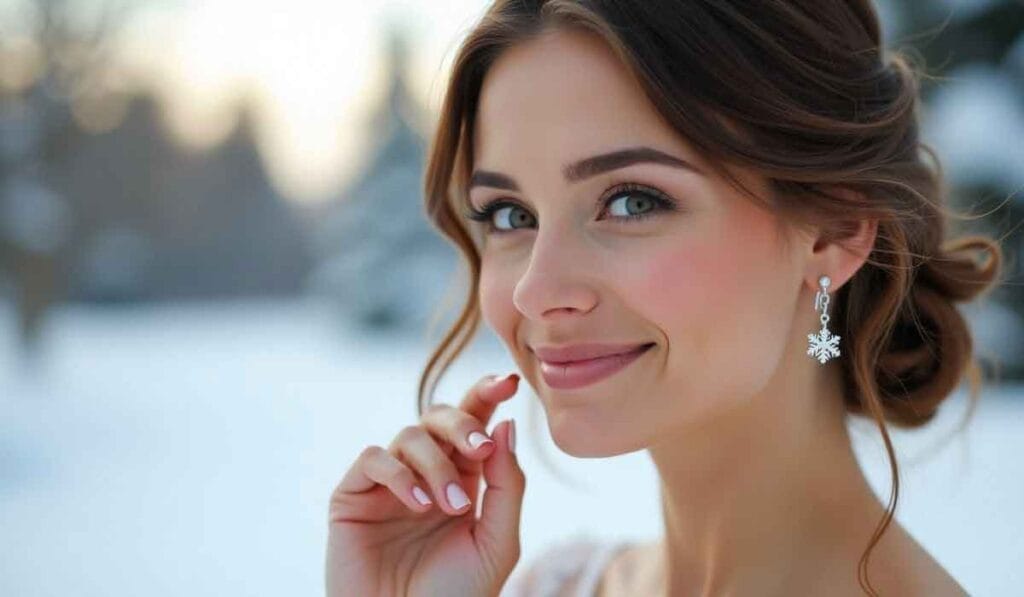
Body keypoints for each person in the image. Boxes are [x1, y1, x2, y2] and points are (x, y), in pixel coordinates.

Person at [326, 1, 1003, 595]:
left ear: (832, 231)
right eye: (509, 214)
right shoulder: (555, 586)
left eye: (631, 200)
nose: (536, 288)